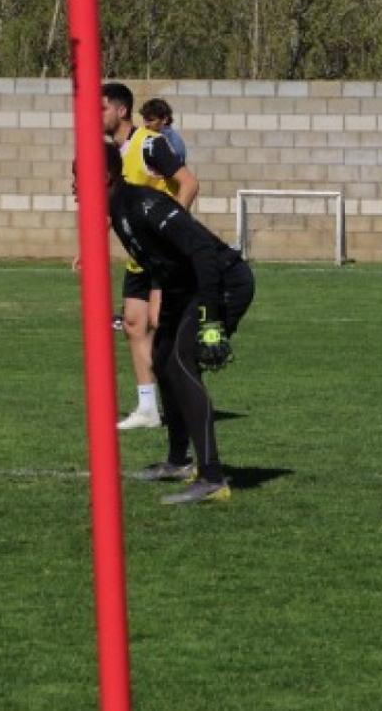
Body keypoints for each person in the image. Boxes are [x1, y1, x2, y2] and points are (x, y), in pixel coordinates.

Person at [88, 140, 254, 503]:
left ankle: (212, 478)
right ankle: (179, 461)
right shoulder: (119, 211)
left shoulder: (143, 203)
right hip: (187, 288)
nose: (72, 186)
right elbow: (163, 259)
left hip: (224, 280)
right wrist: (161, 295)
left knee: (181, 362)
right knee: (162, 360)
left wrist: (210, 319)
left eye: (77, 175)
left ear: (101, 176)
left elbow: (202, 249)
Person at [101, 82, 200, 430]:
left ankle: (184, 392)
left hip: (163, 252)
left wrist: (171, 226)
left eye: (102, 109)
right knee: (132, 323)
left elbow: (188, 182)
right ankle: (148, 408)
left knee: (160, 322)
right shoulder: (113, 154)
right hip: (140, 253)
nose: (97, 116)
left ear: (121, 110)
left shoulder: (150, 145)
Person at [139, 97, 187, 165]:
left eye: (150, 120)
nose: (146, 124)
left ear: (164, 119)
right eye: (145, 119)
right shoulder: (148, 135)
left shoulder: (173, 141)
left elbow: (176, 170)